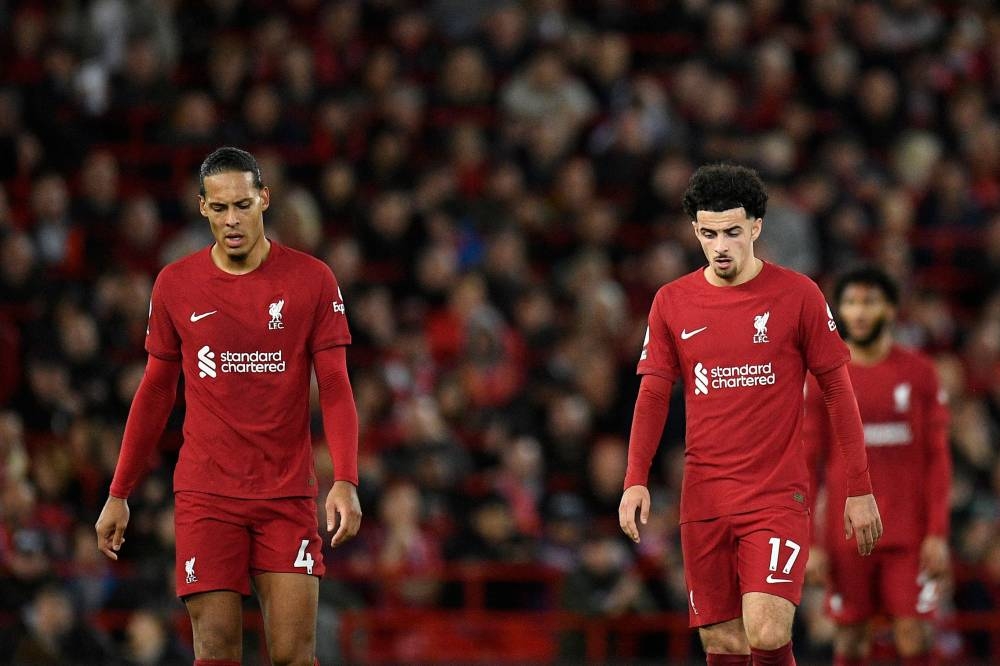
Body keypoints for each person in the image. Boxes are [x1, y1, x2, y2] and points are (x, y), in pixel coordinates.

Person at [95, 147, 362, 666]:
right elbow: (155, 391)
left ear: (264, 199)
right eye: (219, 208)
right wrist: (118, 492)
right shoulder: (176, 284)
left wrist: (346, 479)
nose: (232, 220)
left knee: (293, 655)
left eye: (242, 205)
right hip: (207, 494)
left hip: (285, 493)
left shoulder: (312, 279)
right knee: (215, 651)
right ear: (203, 208)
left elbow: (334, 383)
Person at [618, 164, 883, 666]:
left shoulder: (798, 295)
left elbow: (837, 389)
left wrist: (859, 487)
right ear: (695, 230)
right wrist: (635, 479)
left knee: (766, 628)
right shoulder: (671, 302)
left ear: (757, 227)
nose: (721, 246)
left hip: (775, 496)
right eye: (709, 234)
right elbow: (652, 395)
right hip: (705, 497)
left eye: (733, 232)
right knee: (723, 643)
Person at [804, 266, 950, 666]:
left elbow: (937, 458)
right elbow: (807, 464)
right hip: (844, 534)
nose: (860, 312)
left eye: (870, 302)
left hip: (909, 533)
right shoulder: (823, 378)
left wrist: (937, 533)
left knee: (914, 634)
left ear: (890, 309)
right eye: (851, 302)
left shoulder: (920, 373)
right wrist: (810, 542)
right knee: (850, 637)